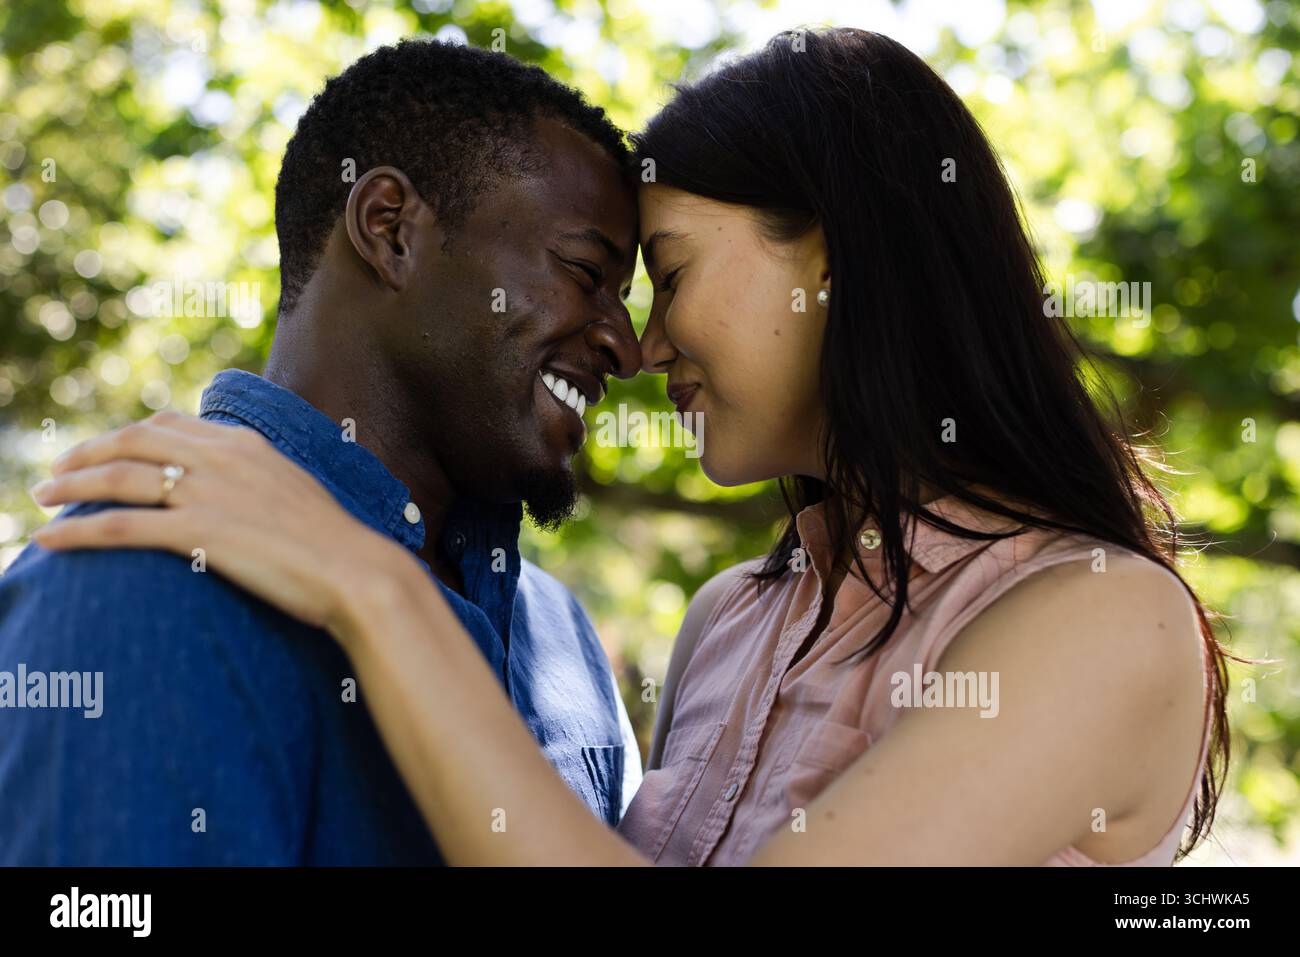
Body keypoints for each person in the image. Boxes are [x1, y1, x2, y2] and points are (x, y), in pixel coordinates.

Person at [28, 28, 1228, 866]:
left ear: (834, 259)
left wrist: (370, 590)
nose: (640, 347)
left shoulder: (1096, 615)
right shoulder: (725, 623)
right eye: (598, 277)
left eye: (663, 276)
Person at [0, 39, 644, 865]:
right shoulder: (137, 582)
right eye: (587, 271)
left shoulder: (561, 637)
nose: (626, 348)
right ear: (389, 229)